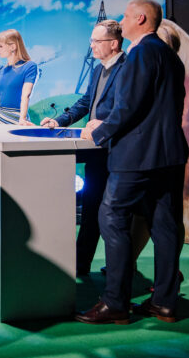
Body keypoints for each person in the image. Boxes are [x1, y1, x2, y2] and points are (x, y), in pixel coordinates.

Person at [76, 0, 188, 324]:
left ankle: (115, 302)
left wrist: (99, 132)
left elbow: (128, 107)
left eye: (125, 16)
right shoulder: (170, 56)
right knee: (165, 226)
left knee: (111, 216)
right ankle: (164, 303)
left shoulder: (140, 53)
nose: (121, 21)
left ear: (140, 19)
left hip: (137, 156)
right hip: (169, 156)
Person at [41, 19, 126, 276]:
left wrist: (104, 126)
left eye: (97, 41)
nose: (92, 46)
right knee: (91, 208)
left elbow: (128, 109)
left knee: (114, 216)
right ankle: (80, 265)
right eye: (91, 41)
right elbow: (86, 101)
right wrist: (59, 120)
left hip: (120, 152)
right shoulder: (98, 70)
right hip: (97, 151)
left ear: (114, 43)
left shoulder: (129, 68)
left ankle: (121, 269)